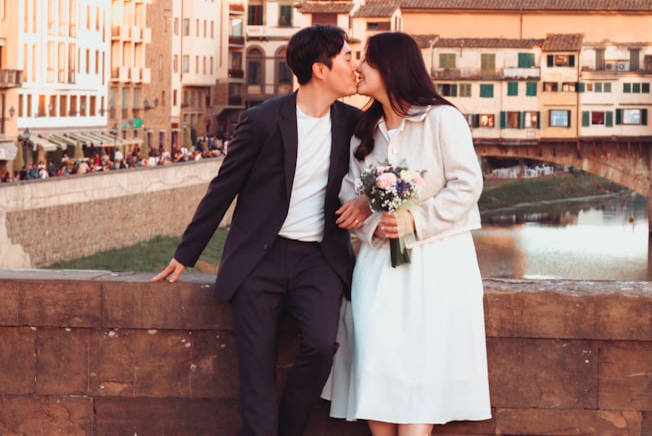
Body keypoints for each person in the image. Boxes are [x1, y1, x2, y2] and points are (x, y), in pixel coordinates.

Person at [152, 24, 363, 436]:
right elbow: (223, 189)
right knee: (256, 370)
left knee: (322, 346)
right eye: (347, 58)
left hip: (319, 260)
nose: (354, 66)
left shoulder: (355, 123)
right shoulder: (263, 120)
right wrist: (185, 254)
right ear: (321, 70)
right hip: (259, 261)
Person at [326, 31, 491, 435]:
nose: (358, 68)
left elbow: (468, 185)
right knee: (375, 354)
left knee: (423, 360)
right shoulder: (365, 129)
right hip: (378, 264)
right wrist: (368, 212)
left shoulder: (442, 119)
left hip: (436, 264)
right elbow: (351, 190)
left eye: (366, 60)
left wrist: (414, 220)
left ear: (392, 68)